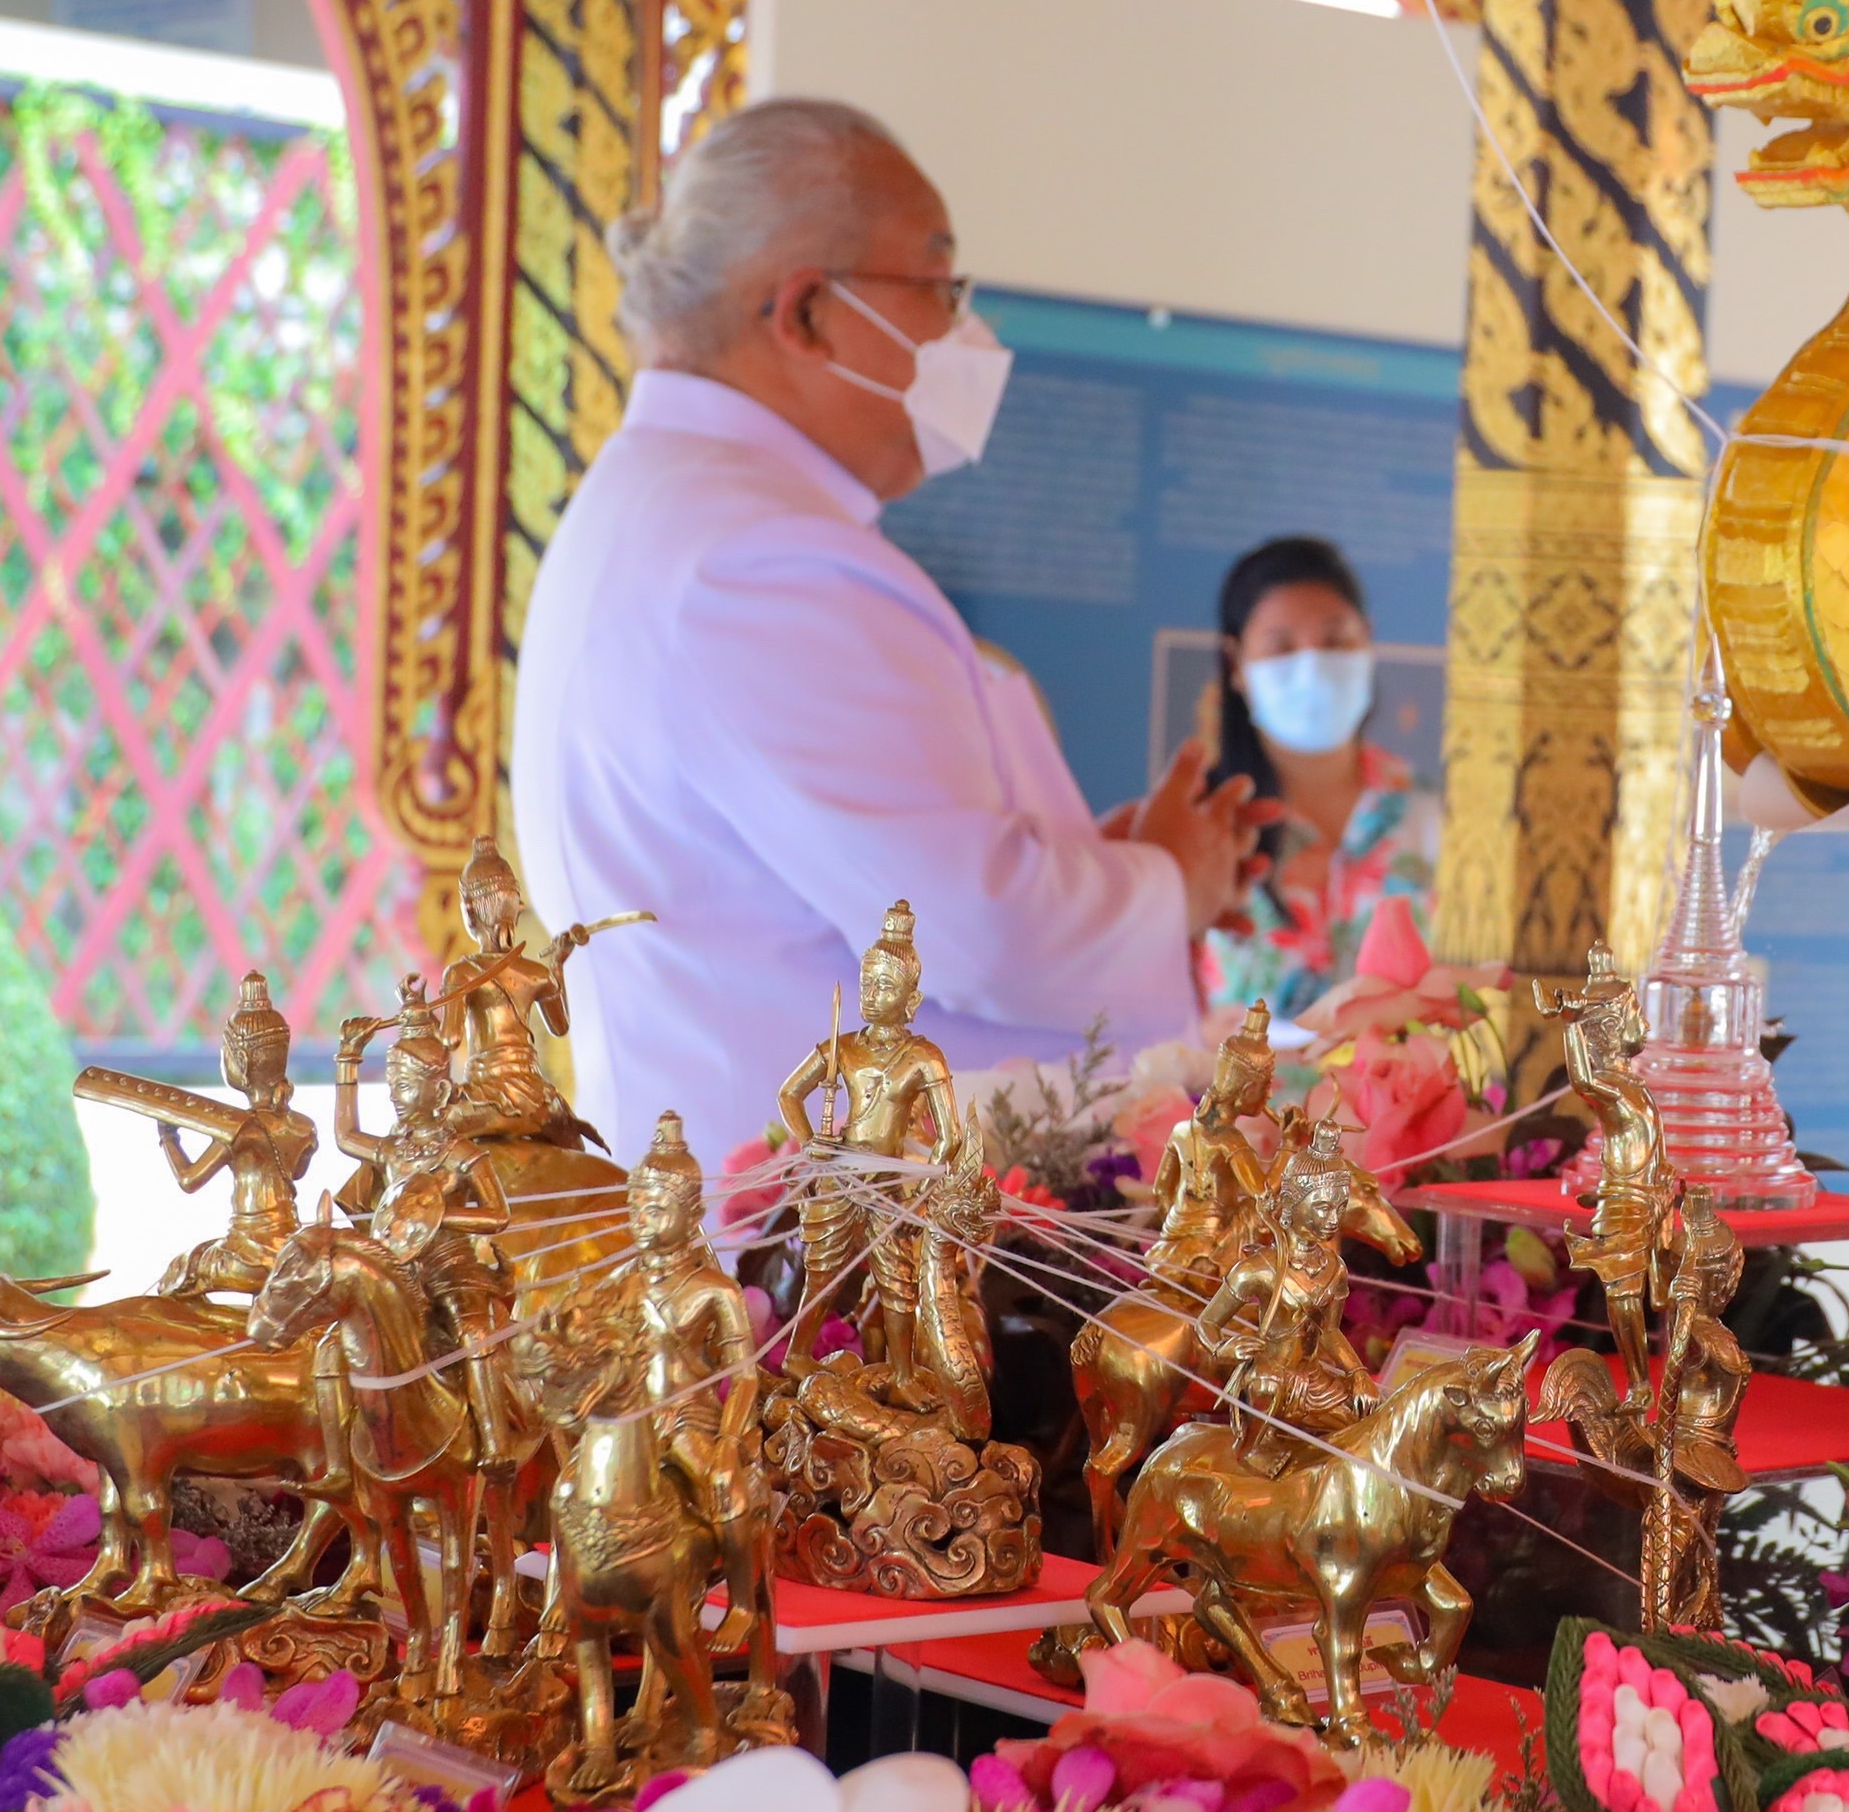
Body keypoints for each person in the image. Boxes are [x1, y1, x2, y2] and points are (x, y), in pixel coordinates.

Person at [511, 98, 1267, 1158]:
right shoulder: (762, 560)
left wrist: (1096, 864)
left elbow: (850, 881)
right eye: (940, 286)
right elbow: (968, 929)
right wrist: (1167, 884)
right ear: (809, 313)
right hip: (819, 1266)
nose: (969, 332)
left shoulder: (671, 509)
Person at [1199, 534, 1439, 1023]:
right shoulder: (1204, 822)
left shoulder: (1431, 812)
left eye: (1334, 640)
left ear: (1367, 641)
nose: (1312, 666)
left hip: (1410, 1096)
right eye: (1281, 646)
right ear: (1236, 665)